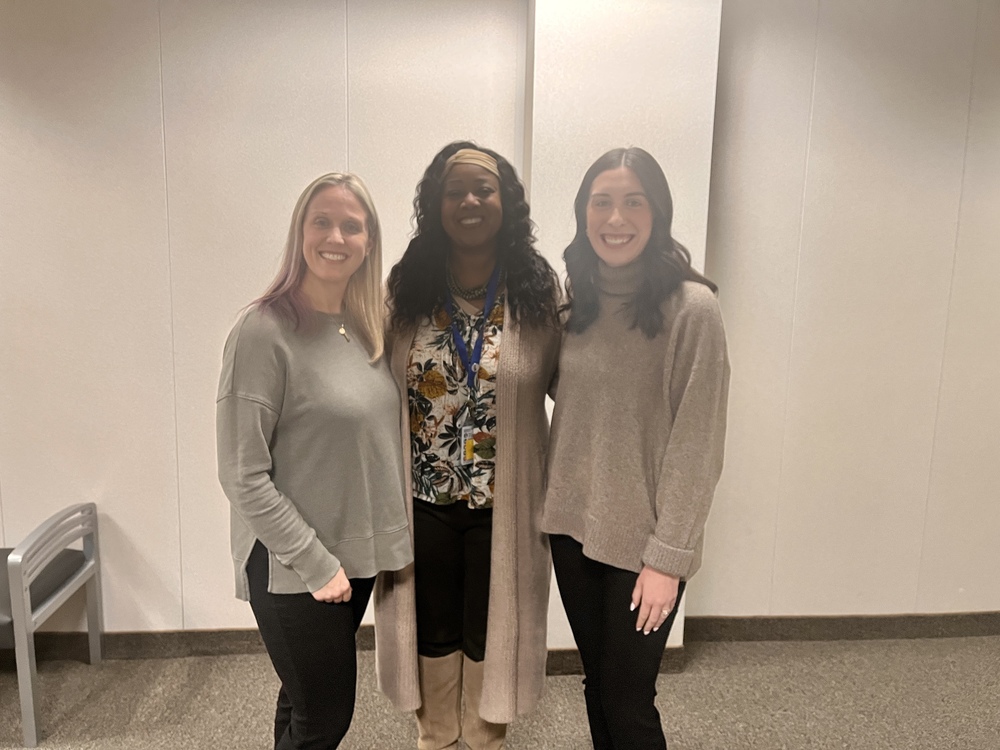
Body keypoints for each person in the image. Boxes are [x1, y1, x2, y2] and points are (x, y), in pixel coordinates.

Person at [375, 142, 561, 750]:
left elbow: (576, 382)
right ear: (436, 202)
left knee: (492, 635)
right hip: (422, 499)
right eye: (456, 190)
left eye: (485, 189)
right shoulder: (407, 288)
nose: (471, 201)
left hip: (502, 507)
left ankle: (484, 741)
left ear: (506, 201)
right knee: (430, 631)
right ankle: (435, 738)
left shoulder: (536, 290)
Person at [542, 147, 730, 750]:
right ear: (583, 213)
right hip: (572, 530)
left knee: (628, 702)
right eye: (602, 202)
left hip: (644, 546)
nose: (615, 218)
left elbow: (697, 445)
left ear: (658, 214)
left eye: (632, 202)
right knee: (599, 686)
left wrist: (667, 559)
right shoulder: (573, 308)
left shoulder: (693, 310)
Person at [216, 173, 413, 749]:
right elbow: (241, 474)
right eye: (321, 221)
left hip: (352, 560)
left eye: (352, 225)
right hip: (294, 566)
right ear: (299, 232)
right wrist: (316, 563)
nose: (336, 236)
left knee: (302, 704)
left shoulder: (369, 328)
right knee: (325, 718)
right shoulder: (262, 332)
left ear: (369, 241)